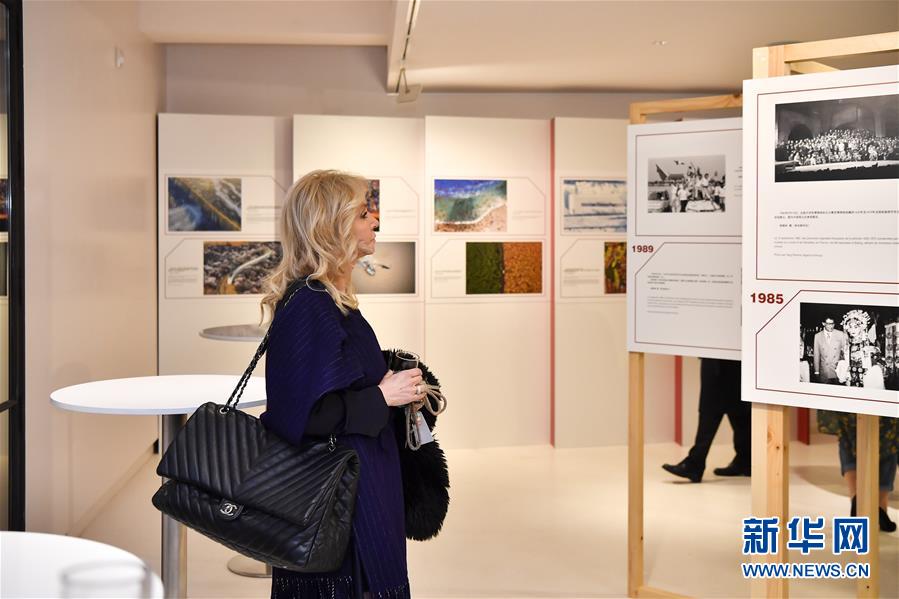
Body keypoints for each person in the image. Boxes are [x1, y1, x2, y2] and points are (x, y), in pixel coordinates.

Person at [259, 170, 425, 598]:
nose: (375, 221)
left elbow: (335, 385)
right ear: (330, 226)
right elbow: (300, 415)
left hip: (357, 490)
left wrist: (385, 381)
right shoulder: (310, 305)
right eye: (363, 212)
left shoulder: (329, 299)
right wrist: (382, 396)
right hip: (341, 503)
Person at [818, 310, 897, 533]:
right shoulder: (848, 346)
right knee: (859, 444)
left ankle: (868, 502)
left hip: (869, 398)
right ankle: (867, 502)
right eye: (849, 326)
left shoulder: (870, 345)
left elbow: (882, 364)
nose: (852, 329)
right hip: (857, 398)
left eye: (856, 325)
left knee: (876, 446)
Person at [662, 359, 750, 483]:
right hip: (717, 353)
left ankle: (695, 462)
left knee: (720, 405)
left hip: (727, 354)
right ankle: (744, 459)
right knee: (731, 405)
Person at [813, 316, 847, 384]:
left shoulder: (840, 334)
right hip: (824, 371)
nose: (831, 326)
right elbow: (816, 355)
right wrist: (816, 371)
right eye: (828, 324)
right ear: (823, 323)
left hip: (837, 370)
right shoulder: (817, 336)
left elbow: (846, 352)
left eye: (832, 324)